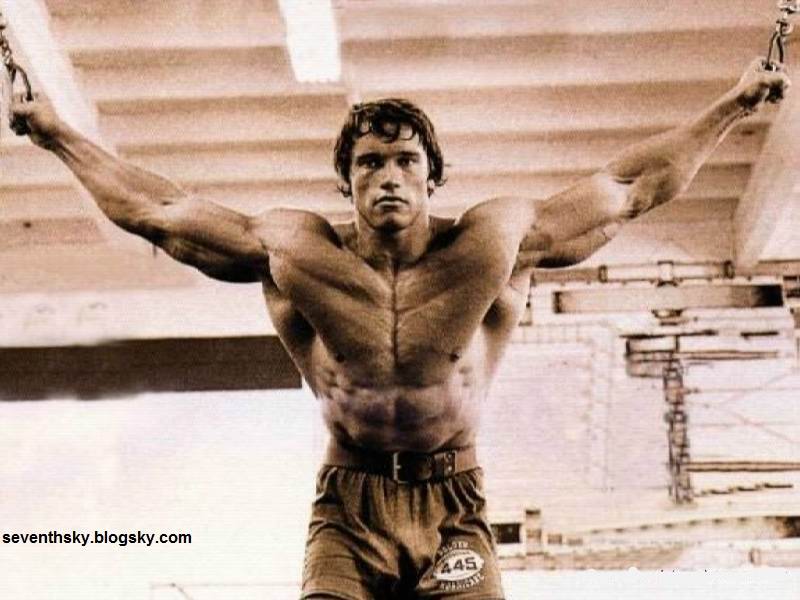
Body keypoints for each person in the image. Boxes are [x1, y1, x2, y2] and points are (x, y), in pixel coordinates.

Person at [10, 58, 789, 599]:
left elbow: (629, 188)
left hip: (454, 505)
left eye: (406, 161)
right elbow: (159, 211)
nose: (388, 176)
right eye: (370, 162)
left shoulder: (494, 244)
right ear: (345, 180)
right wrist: (54, 134)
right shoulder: (293, 249)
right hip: (348, 507)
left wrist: (735, 102)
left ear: (432, 175)